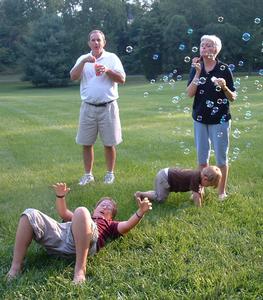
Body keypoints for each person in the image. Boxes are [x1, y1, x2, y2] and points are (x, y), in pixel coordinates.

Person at [7, 183, 152, 284]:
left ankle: (80, 270)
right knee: (29, 214)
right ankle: (15, 267)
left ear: (111, 217)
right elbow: (63, 212)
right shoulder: (82, 217)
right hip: (62, 237)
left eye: (109, 207)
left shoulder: (109, 225)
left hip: (84, 244)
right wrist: (60, 196)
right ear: (95, 209)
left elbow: (127, 225)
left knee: (81, 210)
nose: (105, 206)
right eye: (102, 204)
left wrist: (140, 212)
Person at [70, 29, 126, 185]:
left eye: (98, 40)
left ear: (104, 42)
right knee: (86, 143)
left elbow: (122, 79)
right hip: (88, 107)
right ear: (89, 43)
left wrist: (107, 70)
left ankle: (110, 174)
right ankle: (88, 175)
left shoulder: (112, 58)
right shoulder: (83, 58)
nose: (96, 43)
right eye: (93, 40)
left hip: (108, 107)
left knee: (109, 143)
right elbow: (73, 77)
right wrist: (83, 62)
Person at [186, 35, 236, 200]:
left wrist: (224, 87)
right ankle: (201, 190)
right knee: (202, 159)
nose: (204, 48)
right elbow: (189, 94)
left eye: (208, 45)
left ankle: (221, 192)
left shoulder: (224, 69)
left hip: (220, 119)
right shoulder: (196, 68)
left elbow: (232, 97)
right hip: (200, 118)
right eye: (202, 46)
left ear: (216, 49)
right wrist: (198, 73)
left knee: (221, 158)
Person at [135, 165, 222, 207]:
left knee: (159, 194)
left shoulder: (199, 176)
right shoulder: (195, 178)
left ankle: (151, 193)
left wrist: (201, 196)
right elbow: (196, 196)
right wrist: (199, 208)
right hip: (165, 178)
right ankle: (140, 194)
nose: (206, 187)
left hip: (165, 174)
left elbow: (199, 191)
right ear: (205, 179)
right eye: (208, 185)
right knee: (160, 199)